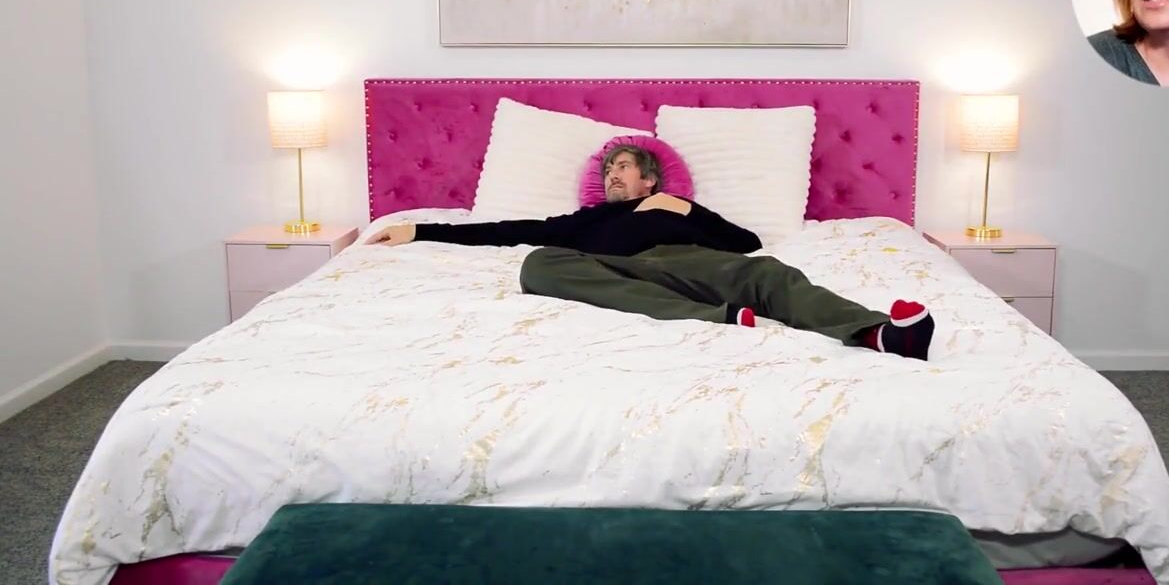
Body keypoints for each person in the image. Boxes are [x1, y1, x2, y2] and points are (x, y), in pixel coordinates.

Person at [365, 144, 935, 360]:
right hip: (613, 271)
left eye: (624, 168)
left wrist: (688, 211)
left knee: (768, 273)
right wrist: (418, 230)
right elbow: (507, 229)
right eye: (608, 169)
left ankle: (879, 333)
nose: (612, 175)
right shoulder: (586, 221)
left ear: (649, 181)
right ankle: (719, 319)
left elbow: (747, 244)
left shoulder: (676, 209)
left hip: (688, 263)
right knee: (538, 263)